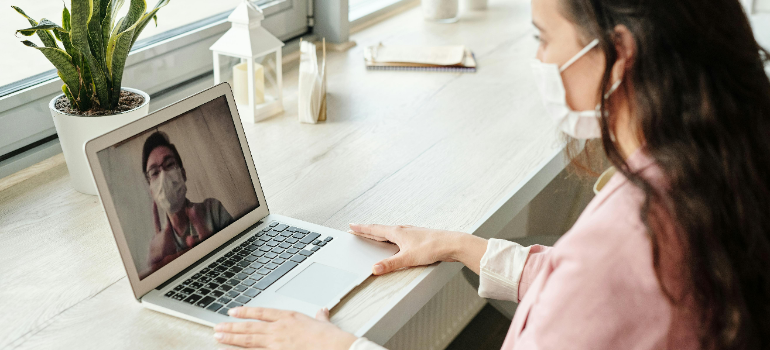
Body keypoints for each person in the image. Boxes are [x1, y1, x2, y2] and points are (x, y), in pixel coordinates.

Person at [211, 0, 770, 348]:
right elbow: (600, 295)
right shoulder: (710, 166)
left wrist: (334, 348)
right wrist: (462, 246)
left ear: (619, 55)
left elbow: (600, 278)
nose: (541, 62)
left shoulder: (628, 236)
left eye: (544, 39)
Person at [143, 131, 233, 275]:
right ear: (152, 191)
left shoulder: (213, 210)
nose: (164, 176)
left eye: (169, 164)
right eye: (154, 173)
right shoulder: (157, 248)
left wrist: (215, 249)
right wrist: (158, 271)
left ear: (183, 174)